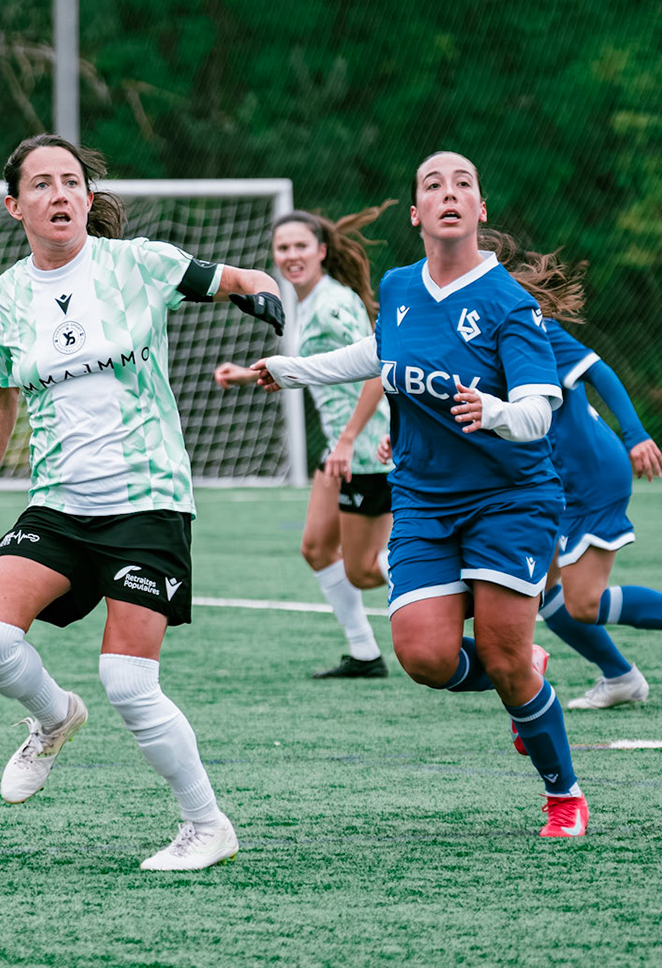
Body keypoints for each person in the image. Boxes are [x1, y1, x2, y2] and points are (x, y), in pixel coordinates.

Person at [0, 133, 285, 871]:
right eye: (41, 184)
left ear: (88, 198)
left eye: (71, 181)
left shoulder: (139, 264)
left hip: (148, 500)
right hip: (59, 504)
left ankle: (207, 826)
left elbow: (240, 276)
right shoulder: (1, 299)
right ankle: (53, 717)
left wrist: (262, 293)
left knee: (128, 681)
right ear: (15, 206)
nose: (59, 194)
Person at [251, 151, 590, 838]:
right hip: (425, 500)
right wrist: (292, 370)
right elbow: (378, 356)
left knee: (503, 658)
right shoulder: (402, 286)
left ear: (480, 209)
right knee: (425, 658)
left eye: (463, 183)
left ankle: (564, 794)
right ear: (417, 213)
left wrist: (495, 411)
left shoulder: (508, 302)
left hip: (510, 499)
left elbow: (539, 412)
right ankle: (521, 671)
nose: (448, 192)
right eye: (433, 185)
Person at [478, 231, 662, 711]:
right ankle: (620, 677)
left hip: (590, 474)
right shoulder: (465, 332)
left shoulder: (526, 322)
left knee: (583, 602)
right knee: (541, 591)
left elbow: (598, 370)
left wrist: (636, 435)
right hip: (549, 481)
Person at [215, 205, 396, 678]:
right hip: (342, 449)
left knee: (364, 570)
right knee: (316, 547)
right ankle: (365, 654)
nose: (291, 255)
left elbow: (380, 368)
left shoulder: (332, 303)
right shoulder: (311, 299)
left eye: (300, 246)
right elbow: (321, 365)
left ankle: (453, 577)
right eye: (283, 248)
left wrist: (349, 440)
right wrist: (247, 375)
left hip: (366, 452)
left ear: (321, 251)